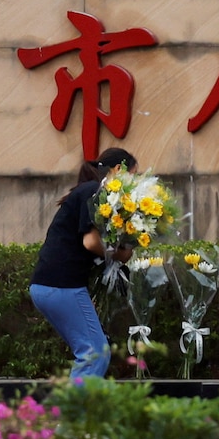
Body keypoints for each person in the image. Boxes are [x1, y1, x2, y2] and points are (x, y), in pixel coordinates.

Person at [29, 148, 137, 379]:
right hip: (61, 285)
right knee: (95, 353)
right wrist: (121, 253)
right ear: (118, 169)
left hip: (51, 286)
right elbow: (90, 242)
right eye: (133, 175)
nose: (134, 183)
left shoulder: (86, 191)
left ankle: (73, 409)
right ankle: (74, 414)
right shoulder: (94, 191)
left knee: (91, 351)